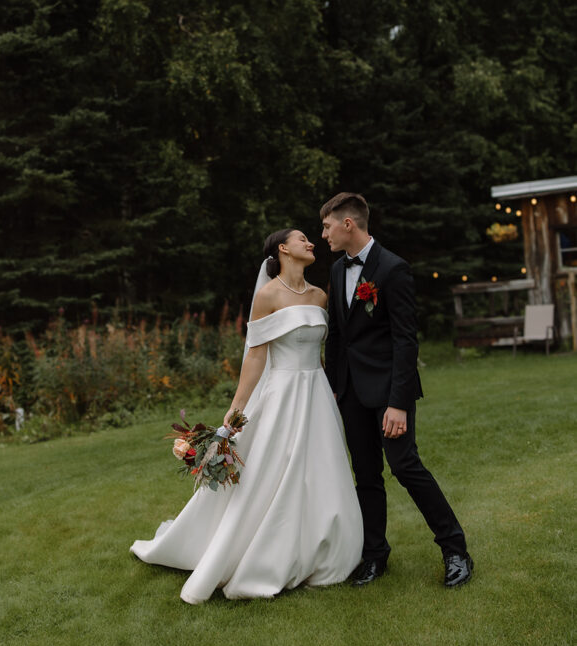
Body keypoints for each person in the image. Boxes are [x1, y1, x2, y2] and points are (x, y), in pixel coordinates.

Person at [130, 228, 363, 603]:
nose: (312, 243)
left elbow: (322, 350)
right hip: (281, 394)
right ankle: (263, 553)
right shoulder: (267, 295)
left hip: (316, 393)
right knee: (274, 471)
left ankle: (326, 550)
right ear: (283, 249)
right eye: (303, 238)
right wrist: (236, 410)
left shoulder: (320, 295)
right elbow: (256, 356)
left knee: (321, 469)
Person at [320, 191, 473, 588]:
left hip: (389, 393)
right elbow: (337, 336)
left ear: (348, 223)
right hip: (351, 392)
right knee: (366, 475)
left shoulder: (393, 269)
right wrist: (335, 389)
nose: (323, 234)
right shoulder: (337, 271)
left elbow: (406, 341)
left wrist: (398, 404)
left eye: (327, 225)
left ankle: (455, 549)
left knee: (406, 468)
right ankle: (375, 556)